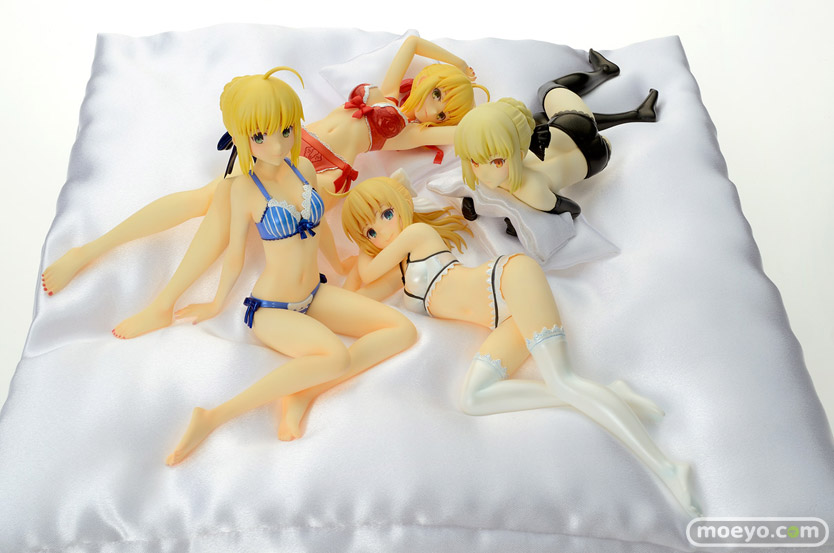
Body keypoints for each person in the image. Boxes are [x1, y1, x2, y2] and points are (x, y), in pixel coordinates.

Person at [42, 35, 487, 339]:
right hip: (293, 143)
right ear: (428, 80)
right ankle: (93, 252)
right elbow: (410, 42)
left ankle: (161, 301)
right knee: (207, 198)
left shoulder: (405, 131)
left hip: (325, 174)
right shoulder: (383, 93)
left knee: (225, 213)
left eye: (443, 114)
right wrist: (456, 65)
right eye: (438, 95)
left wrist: (480, 121)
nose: (433, 111)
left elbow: (465, 134)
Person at [338, 175, 699, 516]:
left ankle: (669, 468)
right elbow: (355, 298)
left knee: (563, 380)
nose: (384, 229)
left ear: (402, 204)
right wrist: (353, 263)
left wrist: (361, 254)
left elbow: (367, 273)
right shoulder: (402, 271)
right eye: (371, 231)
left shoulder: (417, 233)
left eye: (386, 214)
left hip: (509, 280)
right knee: (474, 398)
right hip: (503, 320)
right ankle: (609, 395)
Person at [164, 68, 417, 466]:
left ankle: (302, 393)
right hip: (273, 309)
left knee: (402, 330)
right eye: (260, 136)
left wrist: (339, 262)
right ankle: (213, 417)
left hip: (315, 293)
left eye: (285, 130)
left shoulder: (305, 169)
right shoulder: (243, 188)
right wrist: (215, 303)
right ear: (242, 137)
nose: (278, 144)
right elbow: (234, 254)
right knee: (336, 357)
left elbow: (322, 229)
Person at [455, 50, 656, 233]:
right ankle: (626, 100)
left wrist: (525, 219)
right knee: (548, 90)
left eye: (497, 162)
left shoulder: (532, 192)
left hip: (585, 146)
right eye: (474, 162)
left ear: (521, 153)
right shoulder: (529, 187)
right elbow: (571, 209)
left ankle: (611, 80)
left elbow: (572, 211)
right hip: (583, 141)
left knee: (545, 105)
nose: (484, 173)